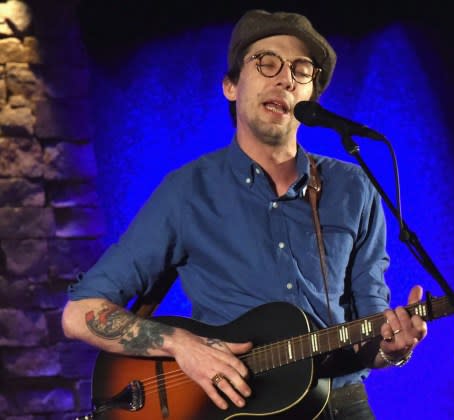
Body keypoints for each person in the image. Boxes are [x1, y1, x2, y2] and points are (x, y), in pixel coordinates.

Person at [61, 9, 428, 420]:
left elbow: (368, 332)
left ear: (309, 97)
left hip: (343, 406)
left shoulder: (353, 187)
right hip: (239, 410)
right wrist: (184, 346)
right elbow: (81, 313)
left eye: (301, 70)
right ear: (231, 85)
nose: (286, 78)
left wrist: (392, 351)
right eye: (267, 62)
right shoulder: (188, 191)